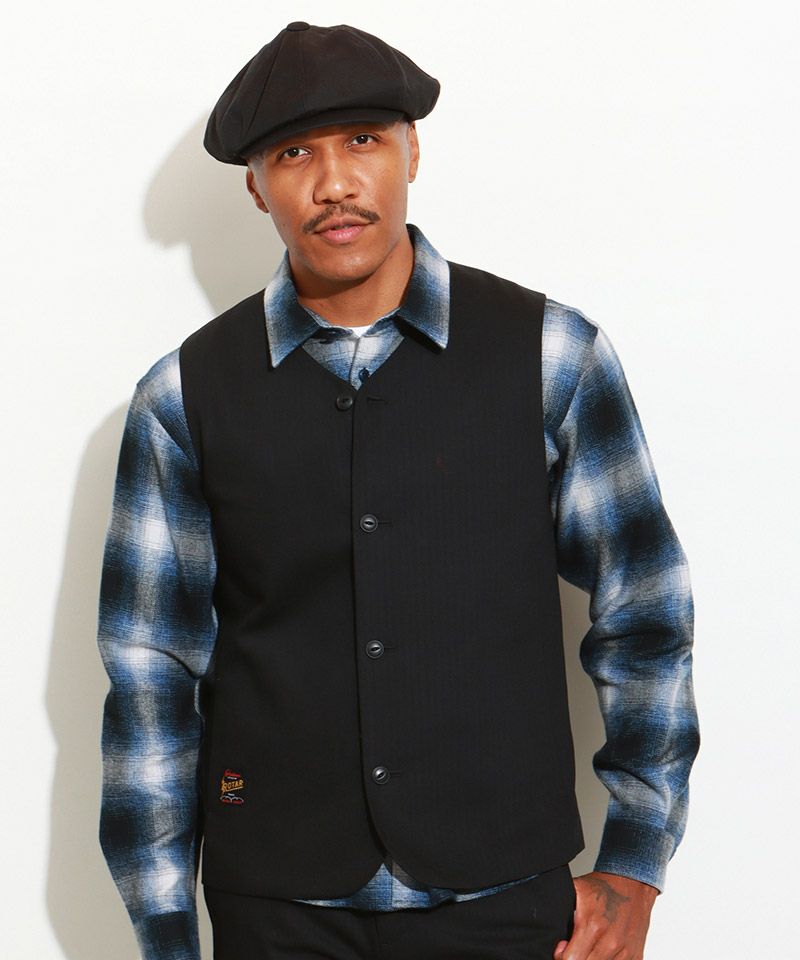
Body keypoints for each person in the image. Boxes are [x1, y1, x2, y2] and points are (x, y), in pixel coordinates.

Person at [97, 21, 700, 960]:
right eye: (294, 154)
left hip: (506, 900)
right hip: (276, 909)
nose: (335, 183)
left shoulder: (552, 356)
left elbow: (645, 610)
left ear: (413, 149)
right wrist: (167, 936)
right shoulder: (182, 398)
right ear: (254, 186)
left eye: (363, 140)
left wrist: (635, 860)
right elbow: (150, 678)